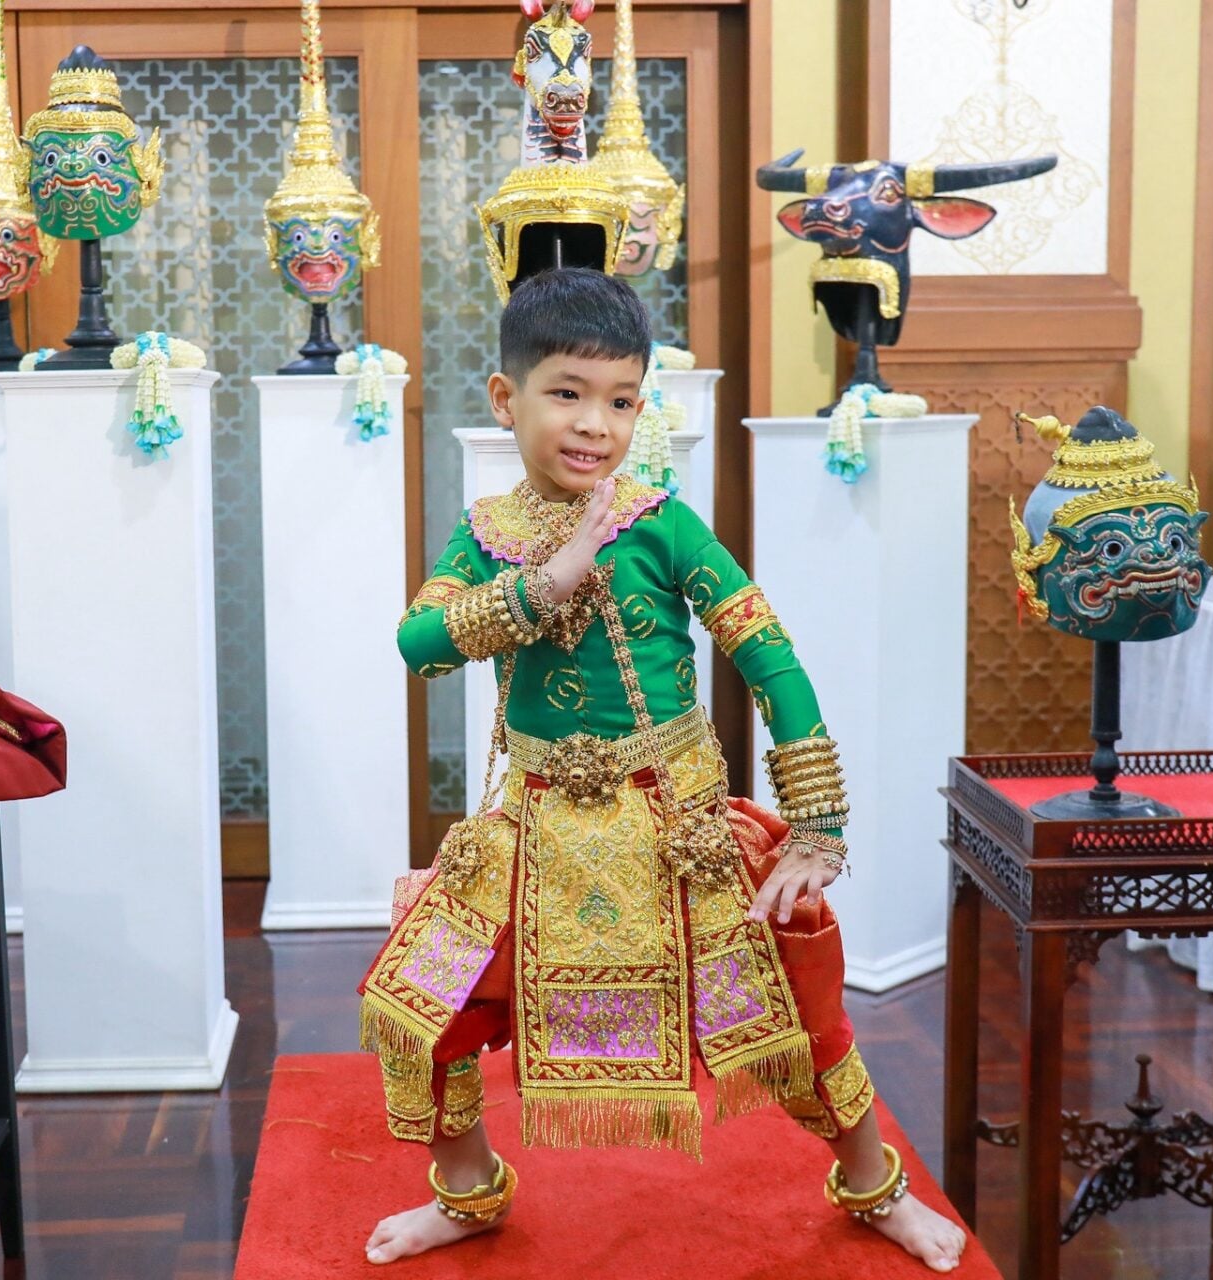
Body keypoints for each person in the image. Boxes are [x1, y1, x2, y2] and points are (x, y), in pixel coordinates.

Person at [359, 267, 967, 1272]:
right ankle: (466, 1191)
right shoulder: (485, 535)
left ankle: (876, 1186)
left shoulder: (663, 522)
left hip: (676, 826)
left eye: (621, 400)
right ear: (506, 397)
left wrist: (817, 823)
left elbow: (769, 656)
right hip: (533, 826)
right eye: (567, 393)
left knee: (796, 1014)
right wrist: (549, 579)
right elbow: (418, 645)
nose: (594, 424)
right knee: (425, 1004)